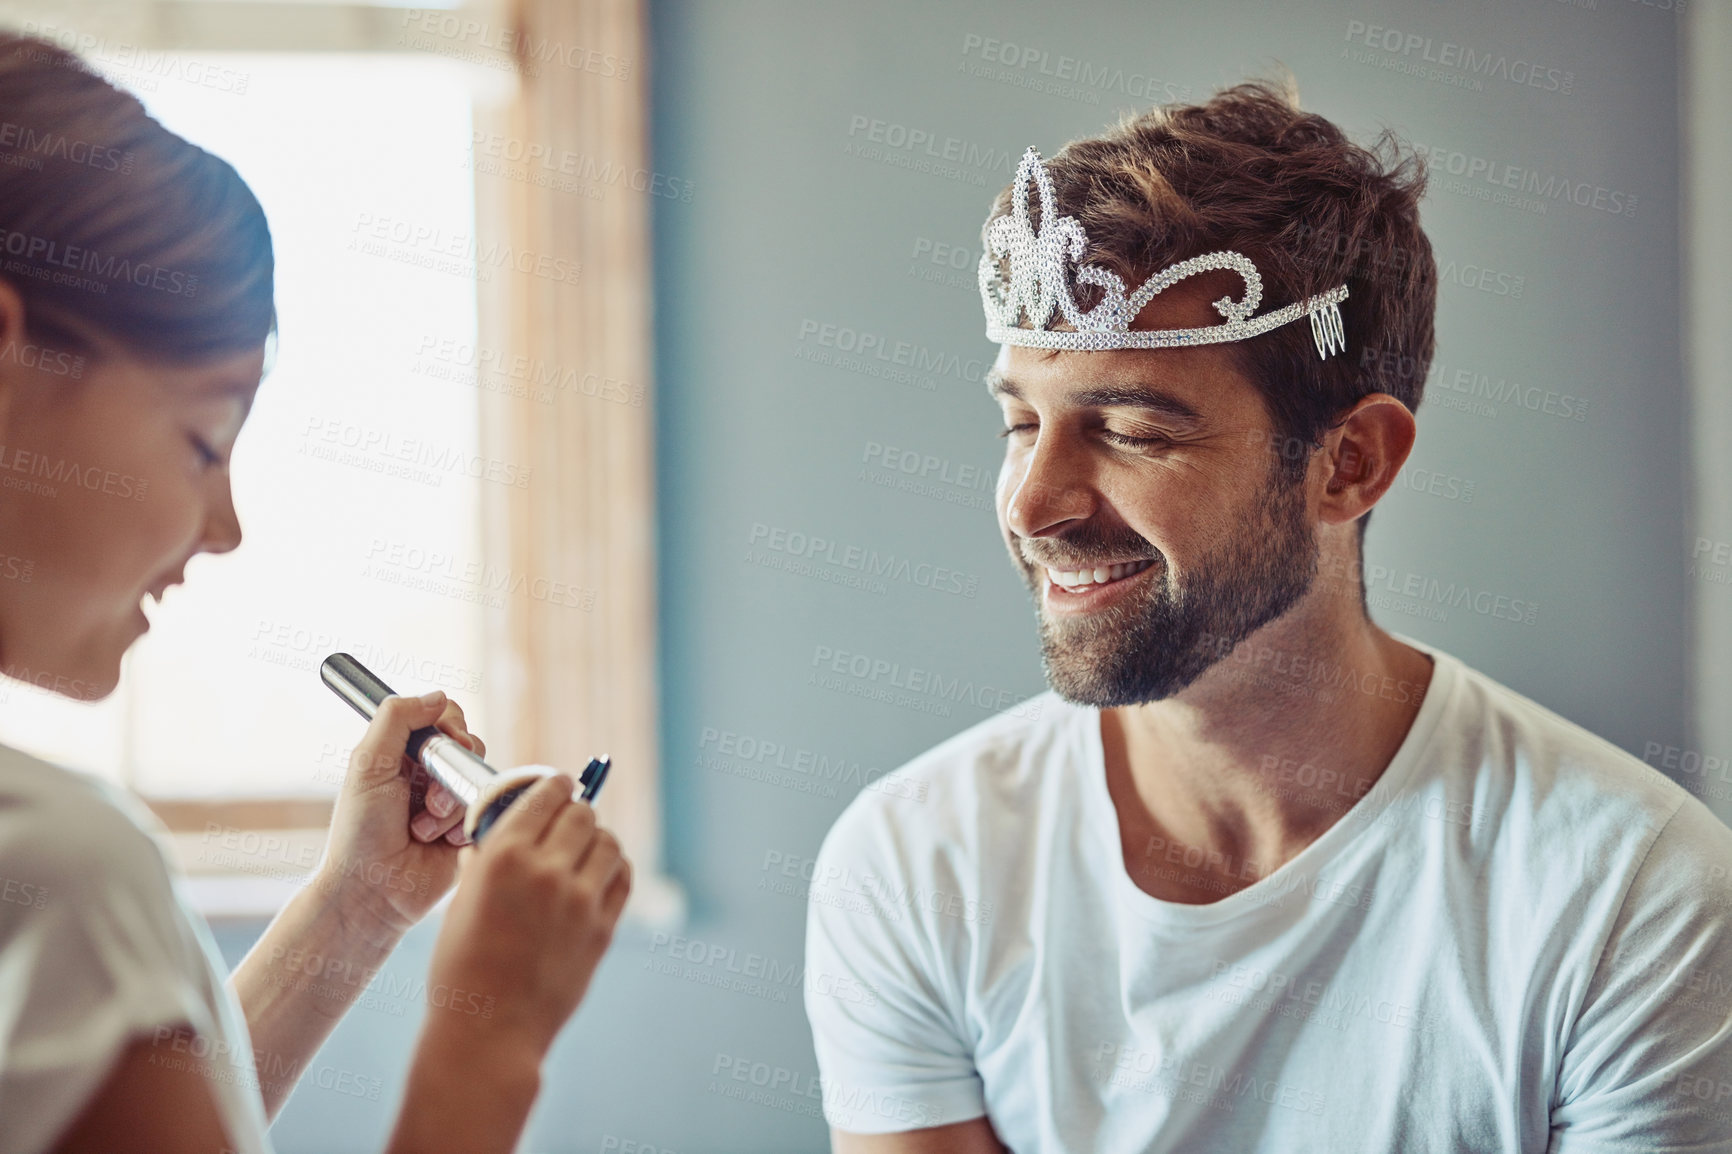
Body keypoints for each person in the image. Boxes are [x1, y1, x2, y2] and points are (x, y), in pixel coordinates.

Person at [803, 80, 1732, 1152]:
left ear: (1350, 463)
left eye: (1132, 430)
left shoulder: (1634, 898)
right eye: (1021, 420)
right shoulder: (917, 857)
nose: (1031, 504)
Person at [0, 32, 631, 1154]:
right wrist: (491, 1034)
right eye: (203, 440)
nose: (225, 528)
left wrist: (358, 909)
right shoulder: (60, 870)